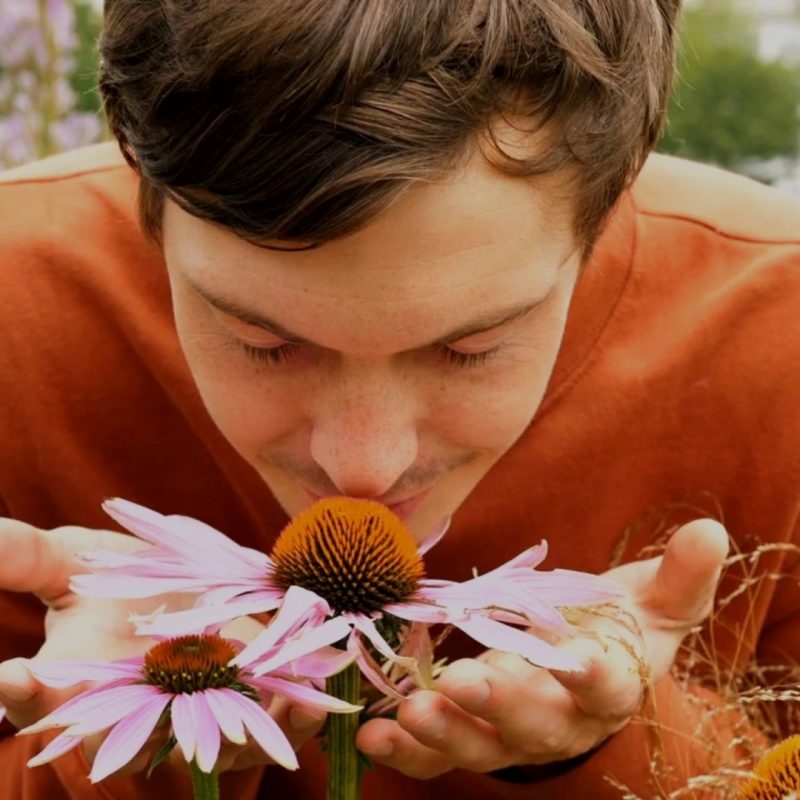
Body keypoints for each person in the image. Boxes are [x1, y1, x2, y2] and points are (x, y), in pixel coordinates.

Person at [0, 1, 798, 798]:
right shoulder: (16, 309)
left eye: (469, 348)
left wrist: (614, 735)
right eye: (263, 342)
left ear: (613, 189)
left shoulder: (778, 332)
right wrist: (129, 743)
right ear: (138, 163)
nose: (362, 467)